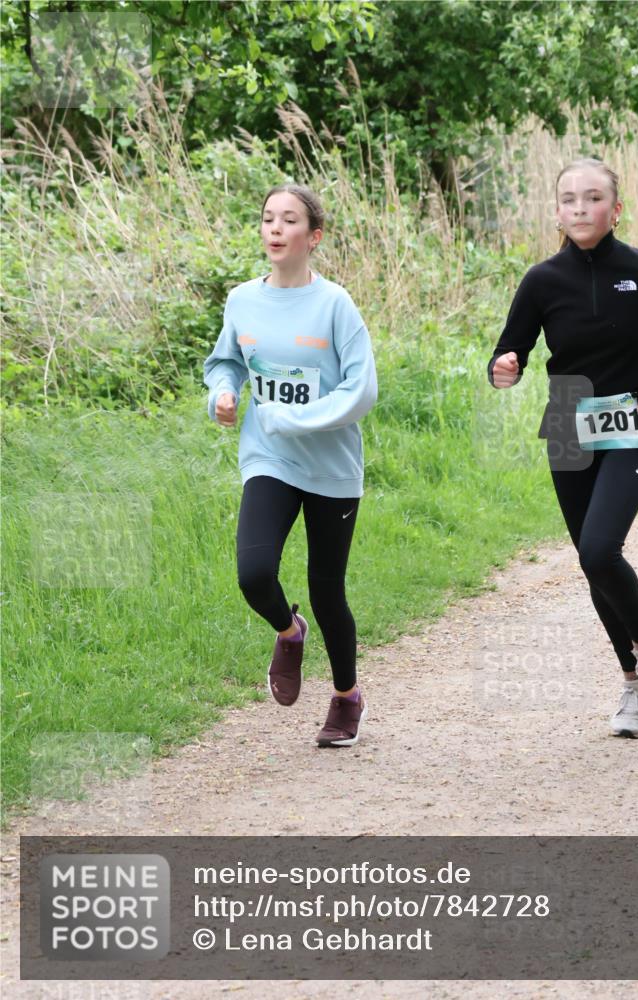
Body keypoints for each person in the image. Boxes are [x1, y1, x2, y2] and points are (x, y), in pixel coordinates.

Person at [488, 158, 638, 738]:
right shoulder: (542, 280)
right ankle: (635, 688)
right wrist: (504, 367)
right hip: (568, 419)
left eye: (594, 199)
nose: (581, 208)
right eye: (570, 200)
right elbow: (506, 352)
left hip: (634, 421)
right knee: (595, 568)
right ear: (557, 212)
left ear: (616, 210)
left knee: (598, 548)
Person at [204, 183, 377, 747]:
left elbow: (362, 390)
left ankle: (347, 698)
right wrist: (223, 395)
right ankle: (287, 630)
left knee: (328, 592)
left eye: (289, 220)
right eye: (267, 219)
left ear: (314, 236)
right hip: (268, 458)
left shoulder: (334, 305)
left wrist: (298, 419)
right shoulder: (241, 301)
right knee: (254, 574)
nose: (275, 228)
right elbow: (224, 361)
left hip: (331, 469)